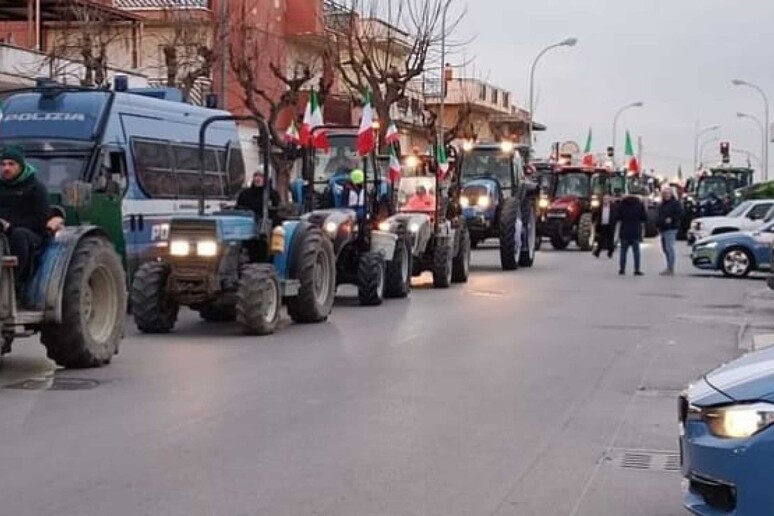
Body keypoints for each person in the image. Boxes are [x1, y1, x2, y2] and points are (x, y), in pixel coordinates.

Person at [0, 145, 50, 283]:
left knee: (19, 235)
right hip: (2, 231)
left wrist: (11, 226)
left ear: (21, 166)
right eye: (3, 164)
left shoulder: (35, 188)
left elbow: (41, 219)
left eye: (11, 164)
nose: (6, 168)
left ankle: (15, 282)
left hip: (30, 235)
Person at [614, 193, 648, 276]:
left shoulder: (622, 205)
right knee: (636, 252)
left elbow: (618, 217)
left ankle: (622, 269)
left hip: (624, 231)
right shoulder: (639, 205)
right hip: (635, 231)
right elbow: (644, 218)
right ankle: (637, 269)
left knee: (623, 252)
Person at [656, 185, 683, 276]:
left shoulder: (675, 204)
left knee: (669, 248)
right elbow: (658, 215)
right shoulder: (661, 204)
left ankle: (670, 268)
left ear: (671, 194)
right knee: (665, 249)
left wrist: (672, 219)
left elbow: (680, 214)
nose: (666, 195)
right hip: (662, 229)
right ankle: (668, 267)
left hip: (671, 228)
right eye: (664, 193)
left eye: (667, 193)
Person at [593, 194, 617, 258]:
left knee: (610, 240)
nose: (605, 200)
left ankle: (610, 252)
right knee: (601, 239)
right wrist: (595, 221)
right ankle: (597, 252)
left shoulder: (613, 207)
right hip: (603, 224)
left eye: (606, 199)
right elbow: (596, 214)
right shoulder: (600, 207)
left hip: (610, 225)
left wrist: (614, 222)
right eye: (604, 199)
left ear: (609, 200)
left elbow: (615, 215)